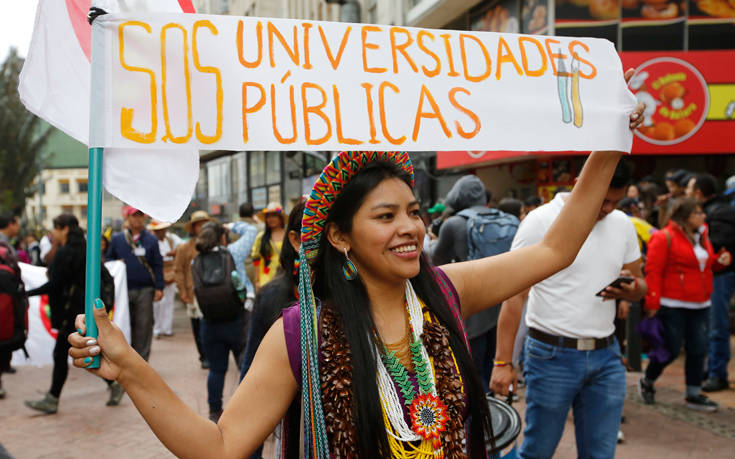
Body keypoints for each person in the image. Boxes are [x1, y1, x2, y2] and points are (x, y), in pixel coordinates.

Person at [69, 93, 644, 457]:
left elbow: (554, 252)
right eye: (386, 217)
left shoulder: (445, 290)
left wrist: (608, 146)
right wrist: (132, 368)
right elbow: (221, 447)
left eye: (414, 213)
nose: (411, 229)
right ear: (340, 237)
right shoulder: (301, 335)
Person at [491, 160, 648, 458]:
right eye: (603, 200)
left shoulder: (622, 224)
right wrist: (502, 362)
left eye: (616, 201)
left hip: (607, 356)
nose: (608, 209)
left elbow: (640, 284)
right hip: (551, 355)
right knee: (538, 451)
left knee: (601, 454)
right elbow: (513, 296)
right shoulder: (540, 221)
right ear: (580, 183)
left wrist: (631, 290)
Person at [429, 175, 520, 391]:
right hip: (504, 305)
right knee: (493, 365)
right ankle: (495, 412)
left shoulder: (454, 224)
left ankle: (479, 418)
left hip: (473, 308)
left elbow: (436, 260)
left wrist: (435, 238)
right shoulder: (508, 219)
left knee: (471, 371)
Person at [639, 197, 731, 411]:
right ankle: (648, 380)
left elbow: (702, 266)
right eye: (697, 213)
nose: (703, 216)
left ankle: (693, 393)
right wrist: (652, 302)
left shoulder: (702, 236)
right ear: (685, 216)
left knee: (698, 349)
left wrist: (718, 261)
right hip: (672, 303)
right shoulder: (664, 238)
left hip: (700, 302)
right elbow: (654, 271)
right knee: (669, 349)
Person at [24, 214, 122, 413]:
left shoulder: (67, 252)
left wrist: (27, 293)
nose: (53, 233)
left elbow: (54, 285)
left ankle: (53, 399)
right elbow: (106, 277)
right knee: (86, 352)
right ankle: (113, 385)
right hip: (86, 312)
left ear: (65, 229)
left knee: (66, 353)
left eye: (56, 229)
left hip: (71, 313)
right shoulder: (88, 250)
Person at [239, 201, 305, 459]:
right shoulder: (272, 298)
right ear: (296, 240)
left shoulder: (361, 293)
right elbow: (250, 380)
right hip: (292, 427)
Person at [191, 222, 246, 423]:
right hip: (235, 321)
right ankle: (247, 408)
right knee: (245, 366)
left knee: (216, 370)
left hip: (210, 323)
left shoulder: (195, 262)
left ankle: (215, 412)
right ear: (221, 237)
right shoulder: (229, 255)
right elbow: (238, 285)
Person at [686, 174, 735, 392]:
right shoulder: (711, 210)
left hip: (720, 276)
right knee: (707, 325)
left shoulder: (720, 212)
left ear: (699, 192)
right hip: (707, 276)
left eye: (689, 188)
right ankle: (711, 368)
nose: (686, 191)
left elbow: (719, 245)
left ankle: (717, 373)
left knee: (717, 325)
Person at [107, 206, 164, 362]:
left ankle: (142, 361)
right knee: (124, 325)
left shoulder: (151, 240)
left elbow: (158, 264)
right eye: (134, 216)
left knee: (144, 326)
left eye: (140, 216)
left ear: (144, 218)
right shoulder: (118, 239)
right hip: (123, 291)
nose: (137, 219)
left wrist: (159, 287)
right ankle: (126, 361)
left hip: (145, 289)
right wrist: (116, 262)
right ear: (127, 218)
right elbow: (107, 260)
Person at [175, 210, 213, 369]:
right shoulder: (185, 247)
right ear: (194, 227)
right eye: (198, 224)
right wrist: (183, 291)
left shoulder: (214, 244)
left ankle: (212, 353)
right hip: (194, 292)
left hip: (212, 291)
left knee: (212, 325)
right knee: (197, 326)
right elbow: (179, 270)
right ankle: (203, 356)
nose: (201, 227)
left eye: (204, 224)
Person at [149, 221, 182, 338]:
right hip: (158, 274)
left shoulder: (171, 239)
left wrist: (175, 252)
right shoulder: (151, 241)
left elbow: (182, 247)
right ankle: (156, 329)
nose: (161, 232)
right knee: (158, 304)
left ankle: (167, 328)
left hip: (170, 273)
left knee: (169, 302)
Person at [0, 212, 21, 398]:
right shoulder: (4, 245)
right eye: (17, 223)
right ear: (11, 223)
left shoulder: (7, 244)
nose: (19, 228)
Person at [228, 202, 259, 307]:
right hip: (254, 269)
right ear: (252, 214)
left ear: (239, 214)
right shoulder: (258, 228)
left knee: (239, 301)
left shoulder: (233, 229)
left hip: (235, 268)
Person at [251, 203, 286, 291]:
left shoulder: (289, 236)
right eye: (268, 216)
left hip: (285, 279)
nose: (271, 219)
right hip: (266, 280)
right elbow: (256, 260)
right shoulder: (261, 237)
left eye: (274, 216)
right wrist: (256, 281)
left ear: (280, 218)